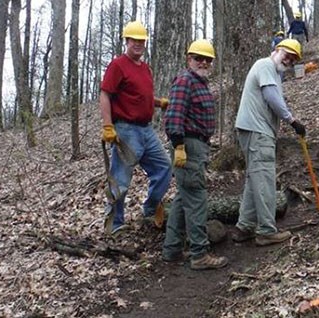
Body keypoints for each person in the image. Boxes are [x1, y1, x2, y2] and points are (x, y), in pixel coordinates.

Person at [99, 20, 172, 234]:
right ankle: (114, 225)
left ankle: (149, 209)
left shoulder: (145, 68)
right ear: (127, 41)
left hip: (146, 130)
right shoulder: (118, 65)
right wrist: (108, 126)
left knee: (164, 167)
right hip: (126, 130)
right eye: (134, 40)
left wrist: (159, 103)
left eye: (141, 41)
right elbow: (105, 94)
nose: (138, 44)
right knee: (120, 179)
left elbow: (140, 96)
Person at [232, 39, 306, 246]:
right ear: (276, 50)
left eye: (293, 59)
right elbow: (272, 98)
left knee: (255, 178)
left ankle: (244, 226)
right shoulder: (265, 65)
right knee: (264, 178)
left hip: (254, 130)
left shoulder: (273, 72)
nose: (289, 60)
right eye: (287, 55)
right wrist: (292, 121)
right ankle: (266, 230)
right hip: (257, 131)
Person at [162, 39, 228, 270]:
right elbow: (173, 116)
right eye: (198, 58)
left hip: (198, 145)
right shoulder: (185, 81)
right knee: (197, 198)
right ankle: (199, 254)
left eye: (207, 59)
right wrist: (179, 146)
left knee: (183, 197)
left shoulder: (200, 82)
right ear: (189, 58)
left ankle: (171, 249)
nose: (203, 62)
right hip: (188, 146)